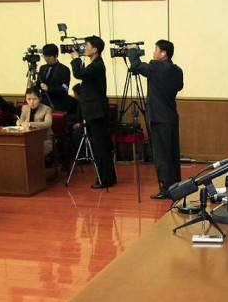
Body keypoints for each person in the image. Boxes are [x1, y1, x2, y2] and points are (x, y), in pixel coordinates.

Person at [128, 39, 184, 199]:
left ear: (163, 53)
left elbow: (137, 66)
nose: (153, 53)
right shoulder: (177, 70)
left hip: (159, 117)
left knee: (161, 155)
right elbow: (179, 86)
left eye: (156, 50)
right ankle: (176, 185)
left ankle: (165, 188)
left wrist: (133, 51)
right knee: (172, 153)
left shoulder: (155, 66)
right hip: (171, 116)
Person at [69, 36, 115, 189]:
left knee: (101, 147)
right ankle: (108, 178)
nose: (84, 48)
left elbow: (78, 74)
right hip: (95, 112)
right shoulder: (94, 65)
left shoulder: (97, 65)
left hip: (97, 113)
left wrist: (75, 59)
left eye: (86, 45)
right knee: (102, 146)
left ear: (94, 49)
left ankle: (104, 179)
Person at [17, 87, 53, 159]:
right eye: (29, 99)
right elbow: (22, 121)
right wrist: (19, 122)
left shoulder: (46, 109)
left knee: (34, 148)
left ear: (40, 99)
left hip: (44, 138)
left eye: (34, 99)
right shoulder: (25, 108)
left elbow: (48, 124)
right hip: (27, 137)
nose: (31, 102)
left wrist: (31, 124)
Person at [38, 44, 72, 111]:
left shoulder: (64, 69)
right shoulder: (42, 68)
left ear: (56, 56)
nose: (46, 58)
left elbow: (64, 88)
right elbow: (39, 83)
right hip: (43, 103)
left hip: (58, 103)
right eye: (44, 56)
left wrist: (49, 89)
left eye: (49, 56)